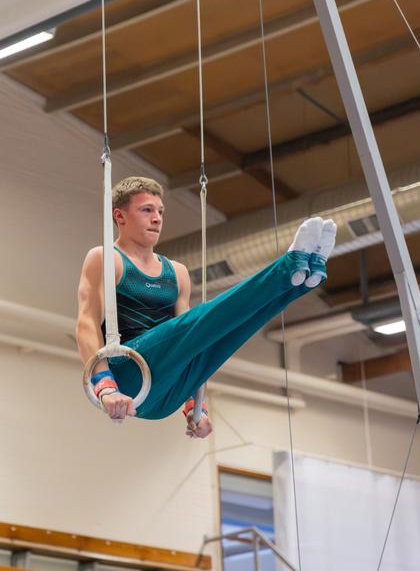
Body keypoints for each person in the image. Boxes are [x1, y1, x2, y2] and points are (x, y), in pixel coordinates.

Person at [76, 176, 337, 439]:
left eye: (160, 211)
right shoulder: (106, 259)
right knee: (208, 318)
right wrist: (105, 386)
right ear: (119, 216)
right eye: (147, 210)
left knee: (231, 331)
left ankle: (303, 278)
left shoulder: (177, 273)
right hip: (129, 374)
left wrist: (196, 407)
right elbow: (86, 324)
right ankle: (287, 266)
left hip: (167, 394)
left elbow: (193, 342)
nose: (157, 218)